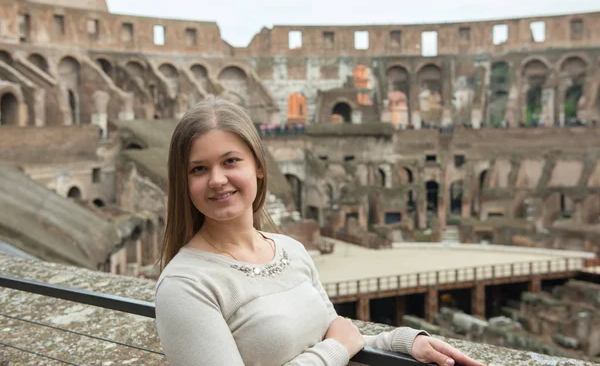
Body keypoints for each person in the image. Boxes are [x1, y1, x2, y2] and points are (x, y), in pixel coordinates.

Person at [155, 97, 485, 366]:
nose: (216, 179)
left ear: (257, 166)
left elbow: (337, 336)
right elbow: (334, 349)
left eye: (230, 161)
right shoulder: (185, 285)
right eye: (199, 169)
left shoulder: (290, 250)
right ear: (184, 182)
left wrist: (402, 342)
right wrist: (335, 351)